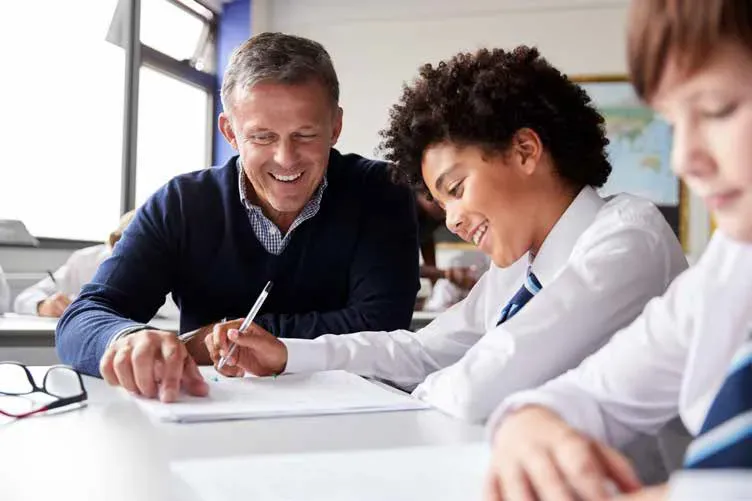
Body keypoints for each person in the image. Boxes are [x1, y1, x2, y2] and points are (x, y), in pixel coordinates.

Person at [203, 45, 688, 424]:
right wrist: (290, 354)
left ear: (524, 151)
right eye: (443, 201)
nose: (452, 219)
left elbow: (485, 383)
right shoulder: (520, 267)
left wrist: (396, 399)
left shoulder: (626, 239)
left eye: (457, 188)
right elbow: (424, 350)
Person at [56, 32, 420, 403]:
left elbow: (381, 327)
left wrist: (210, 341)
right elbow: (83, 318)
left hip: (356, 415)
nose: (285, 158)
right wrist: (126, 340)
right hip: (210, 413)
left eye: (305, 134)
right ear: (230, 132)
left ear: (335, 127)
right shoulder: (181, 203)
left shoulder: (381, 191)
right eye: (262, 137)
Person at [485, 1, 752, 500]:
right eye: (673, 122)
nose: (683, 160)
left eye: (718, 109)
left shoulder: (627, 234)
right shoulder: (730, 267)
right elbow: (593, 391)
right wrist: (531, 423)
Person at [13, 211, 178, 319]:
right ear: (115, 241)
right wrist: (44, 305)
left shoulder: (176, 266)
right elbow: (24, 298)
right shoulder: (86, 261)